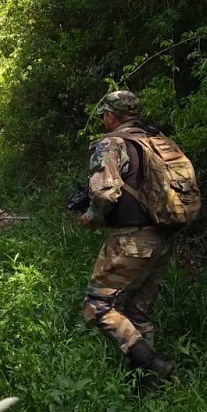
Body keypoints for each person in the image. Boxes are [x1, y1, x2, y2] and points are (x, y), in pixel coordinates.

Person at [80, 90, 176, 387]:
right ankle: (145, 384)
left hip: (131, 240)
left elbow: (106, 193)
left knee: (97, 305)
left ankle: (151, 364)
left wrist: (91, 217)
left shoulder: (112, 143)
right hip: (162, 237)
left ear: (110, 116)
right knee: (139, 310)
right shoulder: (156, 140)